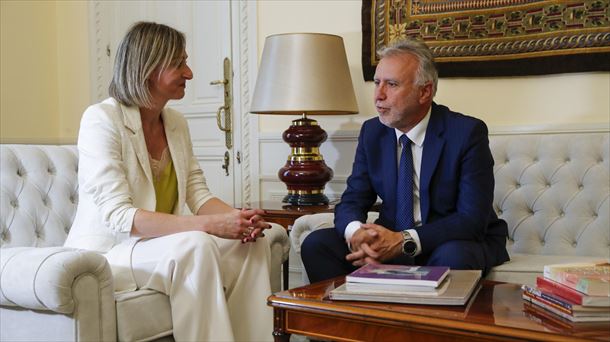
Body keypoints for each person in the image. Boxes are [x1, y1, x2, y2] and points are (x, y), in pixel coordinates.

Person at [64, 22, 273, 341]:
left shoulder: (175, 123)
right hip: (111, 252)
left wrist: (237, 219)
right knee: (196, 242)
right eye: (179, 63)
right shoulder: (101, 119)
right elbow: (121, 218)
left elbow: (198, 194)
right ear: (148, 68)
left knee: (251, 244)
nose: (189, 73)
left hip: (161, 248)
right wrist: (209, 226)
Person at [301, 39, 510, 283]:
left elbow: (470, 220)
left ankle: (418, 322)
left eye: (391, 84)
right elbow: (353, 200)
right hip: (390, 238)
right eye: (377, 83)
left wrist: (404, 241)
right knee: (317, 244)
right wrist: (356, 232)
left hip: (446, 241)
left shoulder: (466, 133)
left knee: (455, 256)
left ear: (425, 92)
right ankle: (356, 321)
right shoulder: (373, 132)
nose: (378, 95)